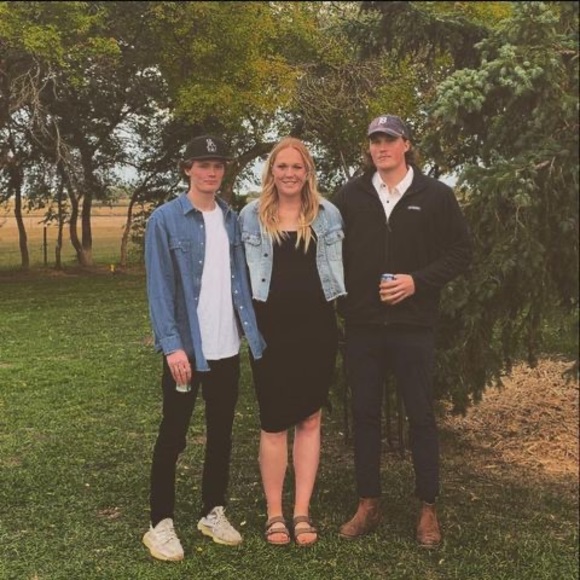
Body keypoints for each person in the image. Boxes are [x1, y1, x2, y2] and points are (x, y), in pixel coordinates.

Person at [333, 115, 472, 548]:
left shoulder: (435, 195)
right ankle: (368, 502)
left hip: (414, 326)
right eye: (375, 140)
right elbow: (330, 253)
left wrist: (417, 282)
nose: (382, 147)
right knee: (365, 415)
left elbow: (461, 251)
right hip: (363, 327)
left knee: (421, 416)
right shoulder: (350, 196)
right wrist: (345, 301)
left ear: (406, 144)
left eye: (389, 139)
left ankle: (428, 507)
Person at [142, 134, 265, 561]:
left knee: (221, 433)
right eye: (203, 164)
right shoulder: (165, 220)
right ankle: (160, 523)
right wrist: (172, 347)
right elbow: (159, 289)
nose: (211, 172)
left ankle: (213, 511)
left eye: (217, 165)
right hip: (187, 351)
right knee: (173, 435)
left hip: (225, 346)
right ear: (187, 169)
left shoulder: (232, 220)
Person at [239, 137, 346, 547]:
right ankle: (274, 513)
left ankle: (301, 511)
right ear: (271, 171)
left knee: (310, 419)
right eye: (281, 166)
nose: (289, 173)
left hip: (316, 330)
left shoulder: (327, 214)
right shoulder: (251, 216)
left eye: (297, 167)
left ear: (307, 172)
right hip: (269, 332)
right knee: (273, 422)